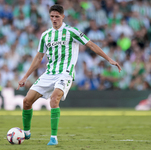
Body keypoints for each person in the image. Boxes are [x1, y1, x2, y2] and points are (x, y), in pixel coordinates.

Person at [17, 4, 122, 146]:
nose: (54, 19)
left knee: (54, 99)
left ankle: (53, 137)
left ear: (63, 17)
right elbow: (38, 57)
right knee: (26, 101)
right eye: (52, 17)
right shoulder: (45, 35)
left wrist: (109, 59)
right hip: (49, 73)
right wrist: (25, 77)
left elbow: (91, 45)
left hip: (65, 73)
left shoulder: (72, 32)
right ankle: (27, 133)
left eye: (57, 17)